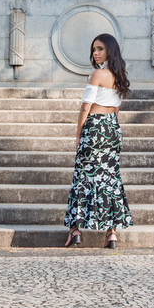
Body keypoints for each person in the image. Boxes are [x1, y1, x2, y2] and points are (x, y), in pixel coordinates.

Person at [63, 33, 133, 248]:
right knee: (110, 179)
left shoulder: (97, 74)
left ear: (110, 50)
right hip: (112, 128)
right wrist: (111, 129)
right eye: (94, 49)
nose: (95, 53)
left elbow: (86, 106)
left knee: (83, 177)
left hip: (94, 127)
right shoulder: (120, 76)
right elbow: (117, 109)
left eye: (100, 48)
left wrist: (79, 134)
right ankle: (111, 234)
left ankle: (75, 231)